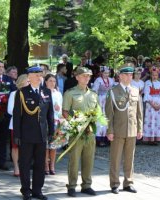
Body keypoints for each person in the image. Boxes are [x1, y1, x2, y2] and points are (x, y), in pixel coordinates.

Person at [13, 65, 54, 200]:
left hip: (41, 134)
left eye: (40, 74)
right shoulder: (22, 92)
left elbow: (50, 114)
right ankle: (26, 190)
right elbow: (17, 115)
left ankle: (37, 190)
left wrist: (51, 132)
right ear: (29, 76)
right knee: (24, 163)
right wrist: (17, 135)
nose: (39, 76)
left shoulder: (46, 91)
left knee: (40, 163)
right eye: (36, 74)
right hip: (26, 134)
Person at [105, 65, 143, 194]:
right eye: (126, 75)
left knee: (129, 158)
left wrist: (140, 128)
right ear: (120, 76)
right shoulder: (113, 91)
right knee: (115, 158)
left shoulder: (135, 90)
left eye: (131, 75)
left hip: (132, 129)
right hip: (117, 129)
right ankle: (114, 183)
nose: (129, 77)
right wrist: (109, 130)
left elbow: (139, 112)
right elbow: (109, 113)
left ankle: (128, 182)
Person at [62, 67, 98, 197]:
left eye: (88, 76)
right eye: (83, 76)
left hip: (90, 132)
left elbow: (97, 112)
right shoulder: (70, 93)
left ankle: (86, 185)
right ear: (77, 77)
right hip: (76, 133)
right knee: (74, 160)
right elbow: (65, 112)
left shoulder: (94, 94)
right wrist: (76, 124)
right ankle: (71, 186)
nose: (86, 78)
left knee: (89, 159)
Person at [7, 74, 29, 177]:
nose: (29, 83)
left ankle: (24, 166)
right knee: (15, 146)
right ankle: (16, 166)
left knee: (26, 146)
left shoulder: (31, 93)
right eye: (27, 81)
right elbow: (10, 110)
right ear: (21, 82)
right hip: (16, 125)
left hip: (29, 125)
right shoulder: (14, 94)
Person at [44, 74, 62, 175]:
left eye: (54, 81)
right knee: (46, 146)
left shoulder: (58, 93)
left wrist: (61, 118)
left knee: (54, 146)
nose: (52, 83)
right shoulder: (43, 93)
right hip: (46, 122)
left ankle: (52, 165)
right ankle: (46, 165)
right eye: (50, 81)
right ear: (46, 82)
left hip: (56, 121)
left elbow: (61, 106)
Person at [92, 66, 114, 147]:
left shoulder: (111, 80)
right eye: (105, 73)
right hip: (100, 100)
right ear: (101, 73)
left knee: (108, 118)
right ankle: (99, 139)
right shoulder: (98, 80)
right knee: (100, 118)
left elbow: (113, 90)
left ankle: (107, 137)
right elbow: (94, 90)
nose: (106, 74)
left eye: (108, 73)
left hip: (108, 100)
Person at [143, 69, 160, 144]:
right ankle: (150, 138)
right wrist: (153, 105)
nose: (154, 76)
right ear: (150, 75)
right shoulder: (147, 83)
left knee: (157, 121)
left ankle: (156, 137)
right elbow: (147, 95)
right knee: (150, 121)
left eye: (156, 75)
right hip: (150, 105)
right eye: (153, 75)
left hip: (158, 105)